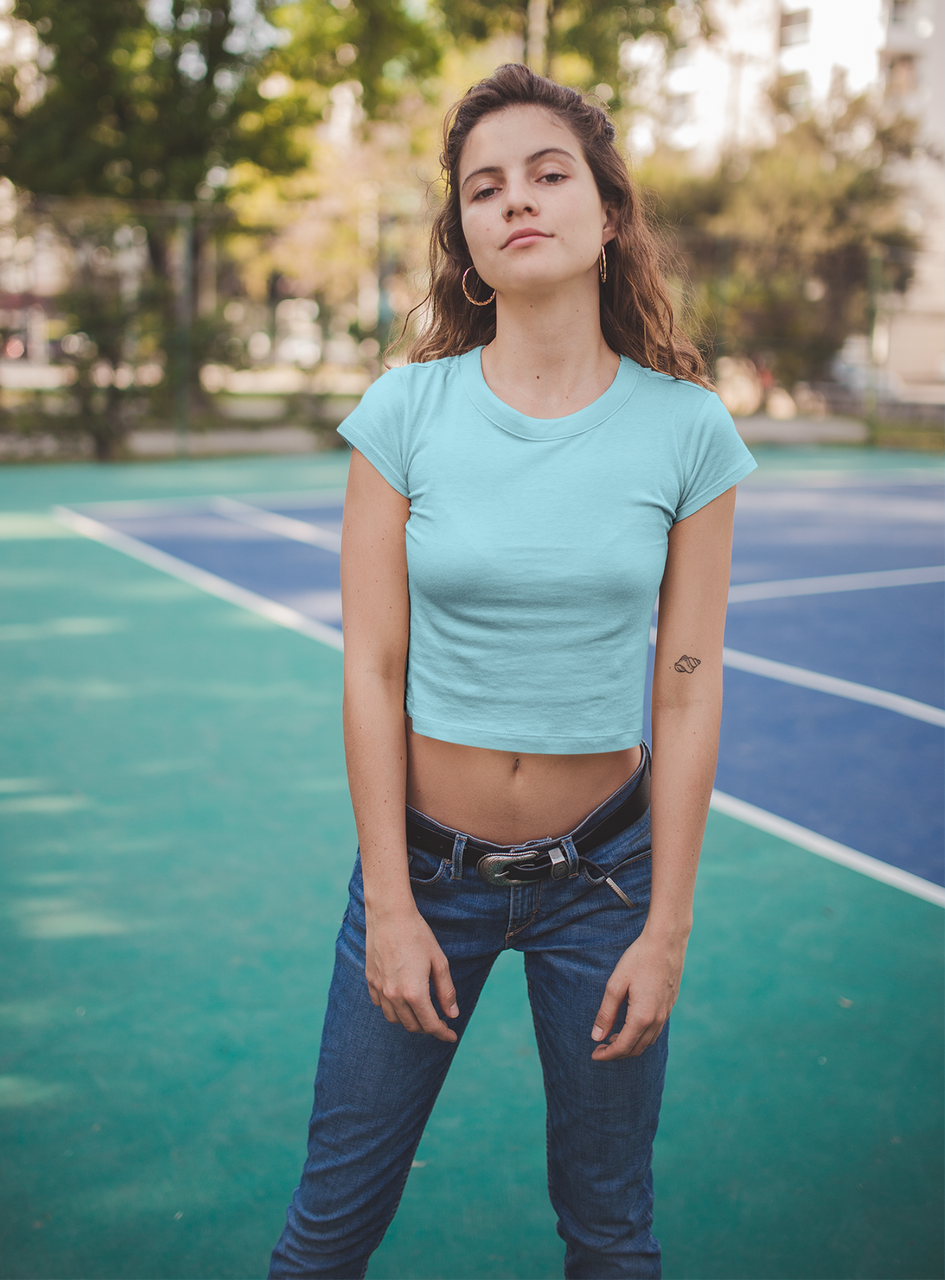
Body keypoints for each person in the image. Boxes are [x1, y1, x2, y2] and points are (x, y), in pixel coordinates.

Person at [269, 63, 755, 1280]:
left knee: (611, 1236)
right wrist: (389, 899)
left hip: (607, 878)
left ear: (607, 216)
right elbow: (372, 671)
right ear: (469, 244)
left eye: (549, 173)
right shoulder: (404, 412)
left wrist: (666, 929)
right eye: (484, 189)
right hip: (427, 871)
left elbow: (686, 687)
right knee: (325, 1235)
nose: (517, 199)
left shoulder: (687, 428)